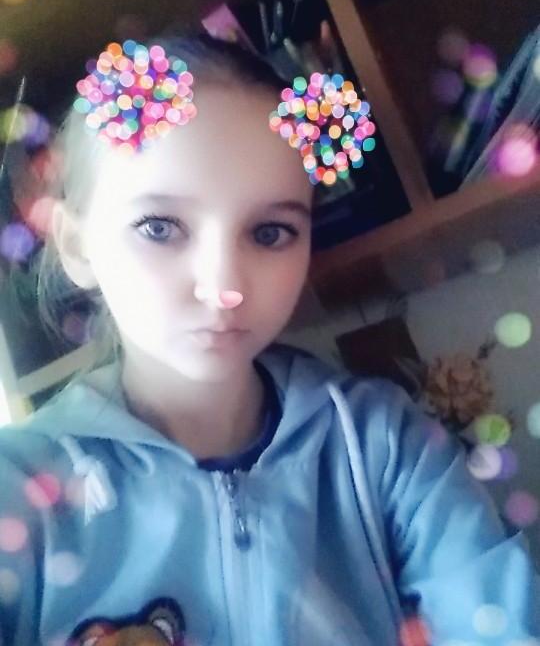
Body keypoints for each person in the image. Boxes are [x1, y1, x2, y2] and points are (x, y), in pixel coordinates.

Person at [0, 35, 539, 646]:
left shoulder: (388, 447)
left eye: (270, 232)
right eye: (159, 227)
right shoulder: (21, 489)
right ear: (76, 245)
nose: (225, 287)